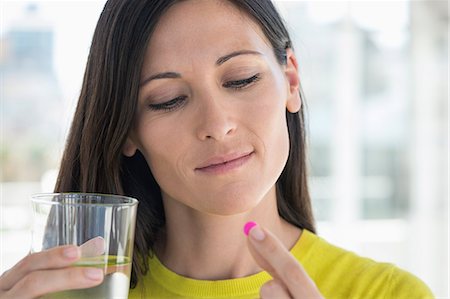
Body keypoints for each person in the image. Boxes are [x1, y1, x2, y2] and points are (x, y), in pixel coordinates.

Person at [0, 0, 434, 298]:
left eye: (241, 79)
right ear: (127, 128)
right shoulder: (74, 292)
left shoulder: (389, 293)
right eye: (168, 99)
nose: (216, 125)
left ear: (292, 82)